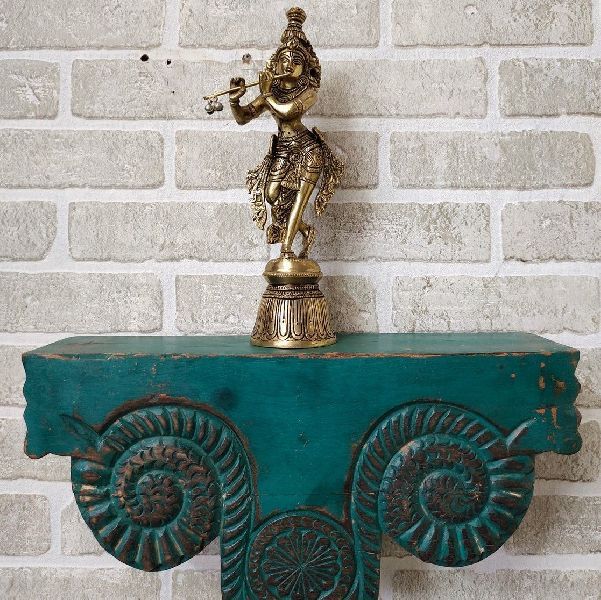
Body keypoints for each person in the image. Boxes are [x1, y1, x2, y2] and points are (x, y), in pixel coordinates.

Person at [228, 7, 343, 259]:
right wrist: (235, 101)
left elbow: (288, 112)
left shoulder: (308, 92)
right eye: (284, 59)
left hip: (307, 150)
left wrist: (267, 94)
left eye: (295, 61)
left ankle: (286, 250)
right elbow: (243, 118)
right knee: (271, 195)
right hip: (283, 149)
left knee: (299, 202)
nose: (288, 64)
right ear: (276, 63)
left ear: (306, 68)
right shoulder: (272, 92)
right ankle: (305, 230)